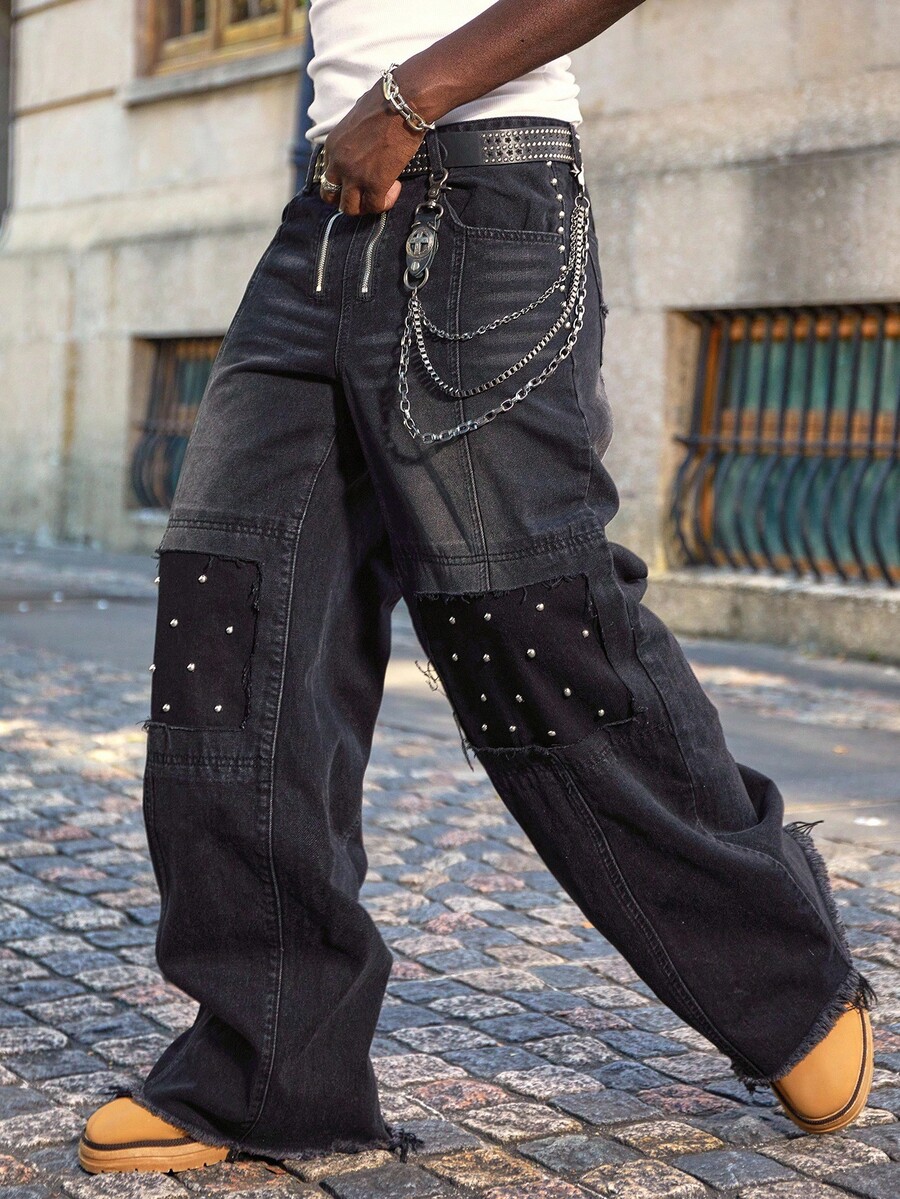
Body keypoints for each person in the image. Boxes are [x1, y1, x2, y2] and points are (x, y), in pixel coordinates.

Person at [78, 0, 875, 1175]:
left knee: (529, 625)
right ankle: (269, 1066)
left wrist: (412, 97)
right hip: (330, 216)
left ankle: (786, 979)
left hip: (482, 199)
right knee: (235, 616)